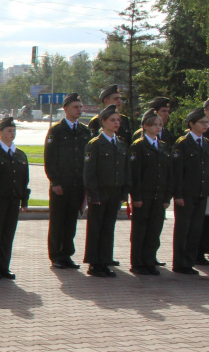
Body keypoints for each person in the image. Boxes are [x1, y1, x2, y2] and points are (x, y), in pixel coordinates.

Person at [44, 93, 90, 269]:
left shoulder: (84, 131)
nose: (79, 110)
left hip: (78, 184)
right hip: (61, 185)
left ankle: (67, 254)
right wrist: (55, 182)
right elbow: (50, 158)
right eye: (75, 107)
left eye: (80, 106)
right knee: (58, 221)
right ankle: (56, 255)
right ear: (65, 109)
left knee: (71, 221)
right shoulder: (56, 131)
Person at [83, 104, 130, 277]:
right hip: (100, 192)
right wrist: (93, 194)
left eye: (118, 120)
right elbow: (89, 173)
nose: (117, 123)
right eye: (112, 120)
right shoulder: (95, 144)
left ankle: (104, 261)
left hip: (115, 192)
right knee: (96, 228)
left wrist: (124, 193)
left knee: (108, 228)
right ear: (103, 122)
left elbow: (126, 170)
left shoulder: (121, 143)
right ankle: (94, 263)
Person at [0, 117, 30, 279]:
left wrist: (24, 201)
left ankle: (4, 266)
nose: (12, 133)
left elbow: (24, 181)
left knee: (8, 234)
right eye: (9, 131)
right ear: (0, 132)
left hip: (13, 200)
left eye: (14, 131)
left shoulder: (20, 155)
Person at [129, 110, 173, 275]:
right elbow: (135, 174)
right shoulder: (138, 146)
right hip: (144, 196)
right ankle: (137, 262)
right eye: (154, 125)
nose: (158, 128)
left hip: (159, 196)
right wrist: (137, 196)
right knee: (140, 230)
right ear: (145, 126)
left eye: (160, 125)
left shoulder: (163, 147)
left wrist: (167, 196)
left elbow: (168, 174)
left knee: (154, 230)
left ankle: (149, 261)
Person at [170, 108, 209, 275]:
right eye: (202, 122)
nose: (206, 125)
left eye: (207, 122)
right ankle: (180, 263)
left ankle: (190, 260)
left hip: (201, 192)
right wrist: (177, 194)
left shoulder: (206, 143)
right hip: (186, 193)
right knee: (183, 228)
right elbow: (177, 171)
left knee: (195, 229)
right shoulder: (183, 143)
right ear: (191, 124)